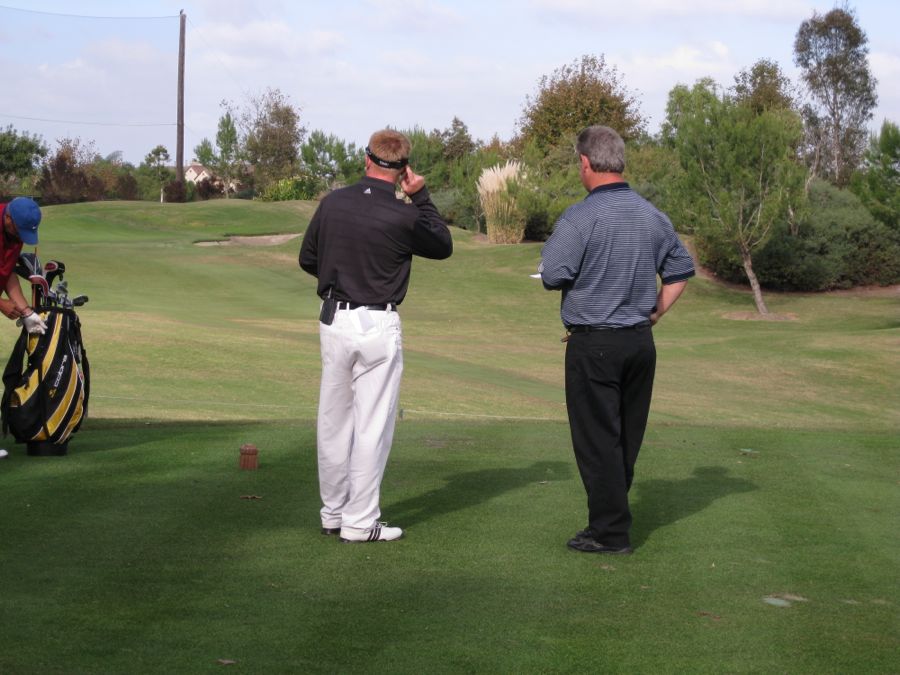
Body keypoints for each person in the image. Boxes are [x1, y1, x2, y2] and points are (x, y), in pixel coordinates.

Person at [540, 125, 695, 554]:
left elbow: (553, 275)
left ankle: (610, 533)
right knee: (624, 437)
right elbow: (681, 271)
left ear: (586, 163)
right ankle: (610, 520)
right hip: (639, 344)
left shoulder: (580, 216)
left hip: (595, 344)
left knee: (597, 441)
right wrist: (655, 313)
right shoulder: (652, 215)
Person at [299, 129, 453, 543]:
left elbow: (307, 258)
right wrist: (420, 196)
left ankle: (333, 513)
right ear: (404, 169)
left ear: (367, 159)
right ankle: (359, 522)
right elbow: (442, 244)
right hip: (378, 323)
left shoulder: (333, 203)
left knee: (333, 421)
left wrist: (339, 275)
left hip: (335, 318)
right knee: (371, 426)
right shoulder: (405, 215)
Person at [0, 197, 47, 460]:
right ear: (8, 219)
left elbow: (6, 274)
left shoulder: (13, 234)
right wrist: (1, 304)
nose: (23, 237)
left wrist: (28, 312)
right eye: (21, 230)